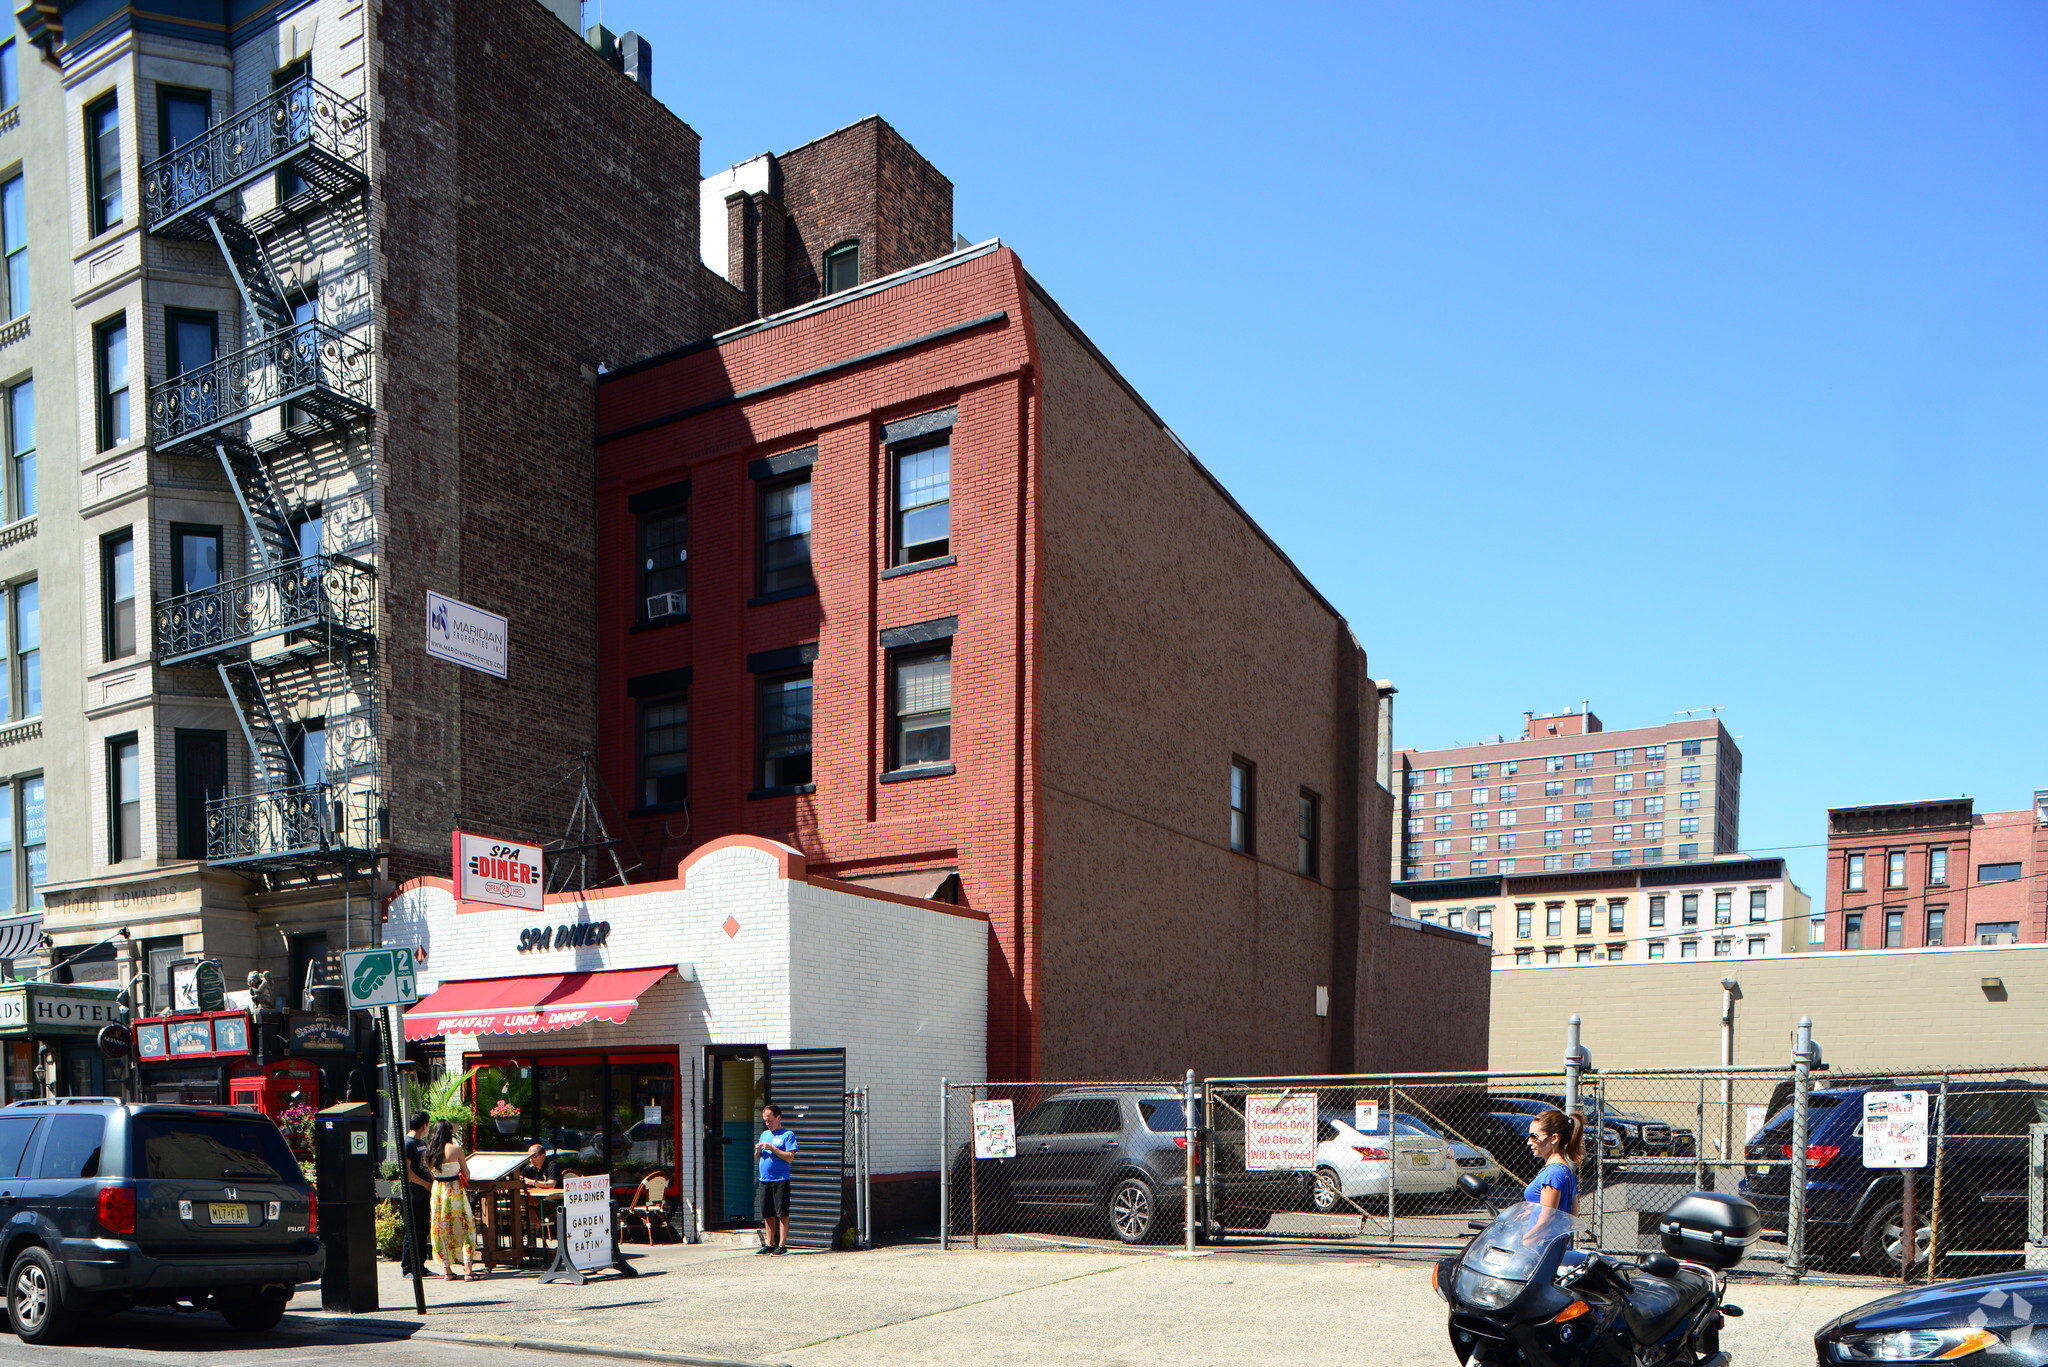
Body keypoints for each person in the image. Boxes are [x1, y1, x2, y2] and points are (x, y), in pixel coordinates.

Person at [427, 1118, 481, 1281]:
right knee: (465, 1227)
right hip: (455, 1190)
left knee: (440, 1229)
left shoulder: (429, 1152)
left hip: (438, 1193)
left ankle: (447, 1271)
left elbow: (432, 1175)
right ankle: (468, 1270)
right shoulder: (456, 1149)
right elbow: (467, 1174)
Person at [754, 1103, 797, 1255]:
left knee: (782, 1213)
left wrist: (773, 1149)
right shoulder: (765, 1135)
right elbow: (758, 1158)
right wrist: (758, 1151)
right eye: (765, 1121)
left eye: (770, 1120)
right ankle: (769, 1243)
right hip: (765, 1179)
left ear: (778, 1118)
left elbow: (790, 1157)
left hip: (780, 1179)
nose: (767, 1123)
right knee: (767, 1213)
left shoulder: (788, 1135)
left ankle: (782, 1245)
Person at [1523, 1108, 1585, 1214]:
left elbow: (1546, 1220)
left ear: (1554, 1138)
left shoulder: (1553, 1173)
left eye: (1534, 1136)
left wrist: (1529, 1231)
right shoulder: (1565, 1170)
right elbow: (1573, 1214)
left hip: (1545, 1231)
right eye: (1529, 1136)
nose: (1529, 1142)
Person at [400, 1112, 432, 1275]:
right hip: (413, 1194)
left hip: (424, 1194)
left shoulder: (421, 1142)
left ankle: (420, 1265)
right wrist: (425, 1184)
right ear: (424, 1125)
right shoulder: (407, 1143)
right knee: (413, 1230)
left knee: (422, 1231)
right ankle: (408, 1267)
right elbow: (406, 1172)